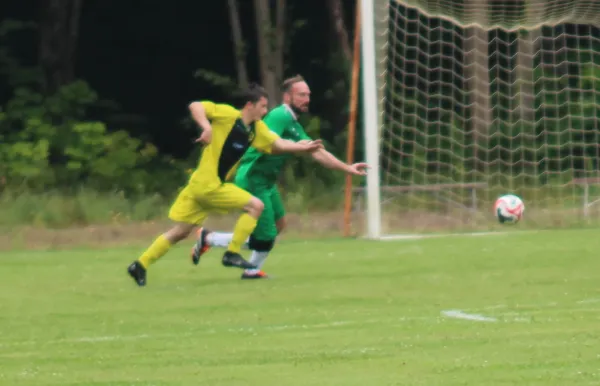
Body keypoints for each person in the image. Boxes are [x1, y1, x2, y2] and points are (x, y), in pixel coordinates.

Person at [127, 83, 324, 286]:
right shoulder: (228, 115)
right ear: (249, 105)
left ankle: (140, 265)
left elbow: (278, 144)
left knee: (180, 232)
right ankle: (232, 253)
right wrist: (206, 127)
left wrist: (302, 146)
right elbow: (196, 106)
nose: (266, 111)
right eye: (263, 107)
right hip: (209, 185)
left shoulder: (256, 129)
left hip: (200, 186)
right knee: (256, 206)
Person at [190, 75, 368, 279]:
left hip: (266, 181)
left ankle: (250, 268)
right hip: (252, 177)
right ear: (287, 97)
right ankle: (212, 240)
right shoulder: (279, 116)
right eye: (301, 94)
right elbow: (271, 144)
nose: (306, 99)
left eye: (308, 94)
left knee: (279, 225)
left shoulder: (292, 123)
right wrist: (297, 148)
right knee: (265, 236)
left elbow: (317, 152)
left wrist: (347, 168)